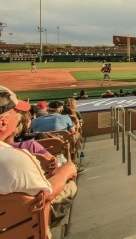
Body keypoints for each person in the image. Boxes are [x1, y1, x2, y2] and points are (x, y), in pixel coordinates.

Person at [0, 86, 78, 229]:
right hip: (24, 226)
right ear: (3, 122)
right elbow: (45, 194)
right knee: (70, 183)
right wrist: (68, 170)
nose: (19, 116)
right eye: (16, 112)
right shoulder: (14, 158)